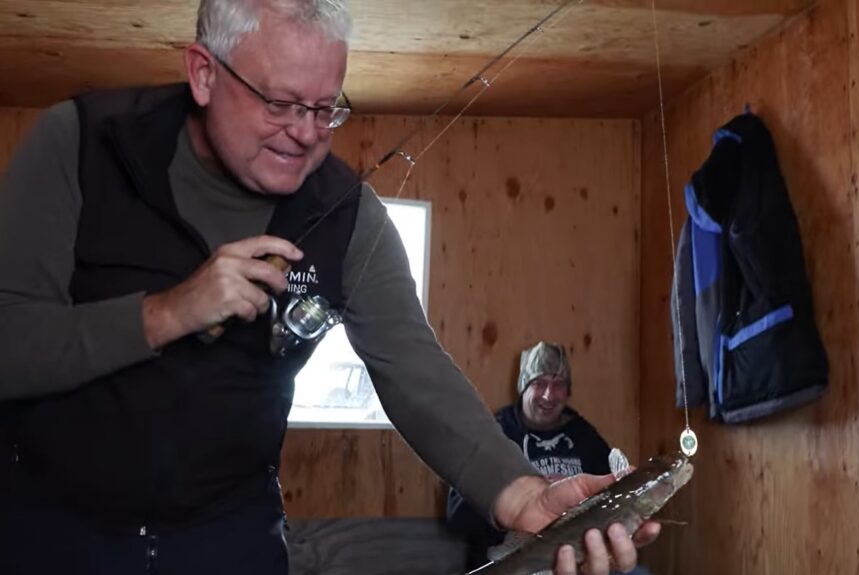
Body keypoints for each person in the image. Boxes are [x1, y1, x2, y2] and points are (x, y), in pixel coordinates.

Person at [0, 1, 659, 574]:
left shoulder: (349, 216)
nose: (307, 133)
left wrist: (517, 492)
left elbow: (415, 368)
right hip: (52, 531)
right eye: (281, 103)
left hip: (230, 542)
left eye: (326, 107)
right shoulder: (81, 144)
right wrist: (169, 312)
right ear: (203, 72)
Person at [447, 341, 622, 572]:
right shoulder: (495, 434)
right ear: (523, 388)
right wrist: (518, 499)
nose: (549, 395)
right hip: (509, 562)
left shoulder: (585, 437)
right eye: (539, 383)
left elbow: (612, 498)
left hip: (574, 561)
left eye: (558, 384)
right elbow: (457, 515)